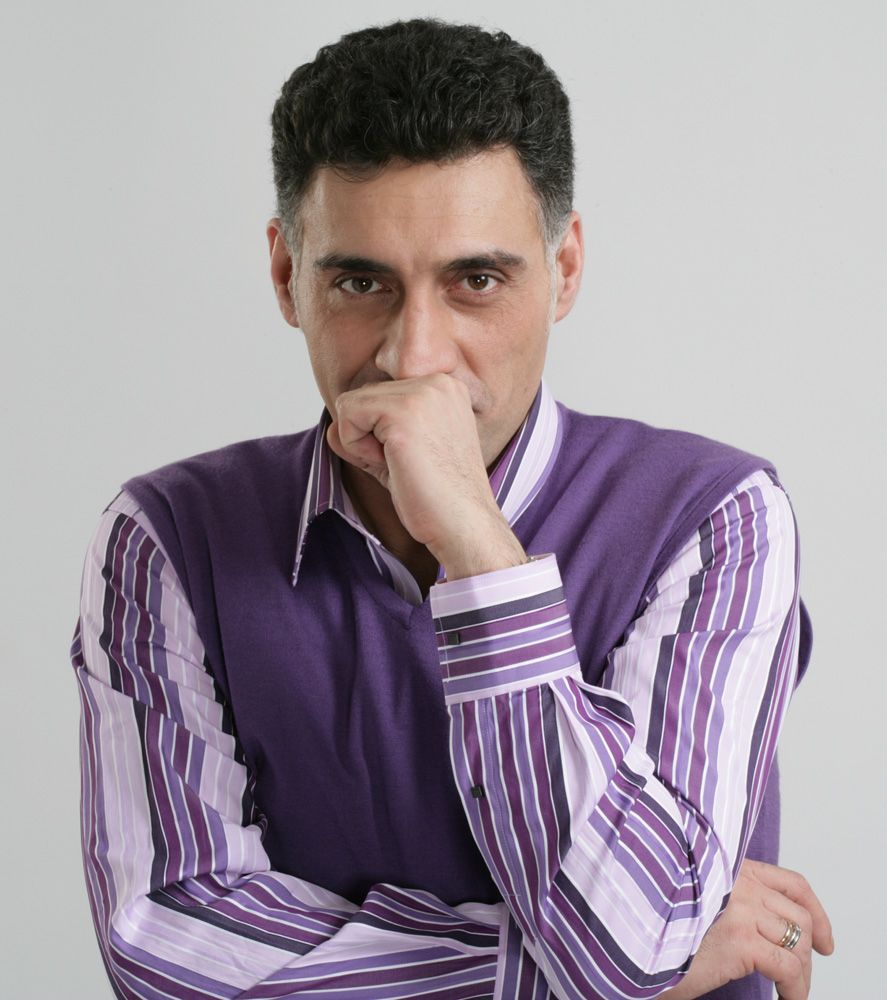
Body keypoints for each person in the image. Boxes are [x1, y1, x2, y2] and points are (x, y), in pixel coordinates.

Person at [70, 17, 833, 1000]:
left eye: (475, 280)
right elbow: (165, 941)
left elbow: (635, 931)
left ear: (563, 270)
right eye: (360, 282)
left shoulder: (713, 518)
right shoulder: (169, 540)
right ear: (286, 276)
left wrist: (477, 548)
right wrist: (543, 972)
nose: (414, 355)